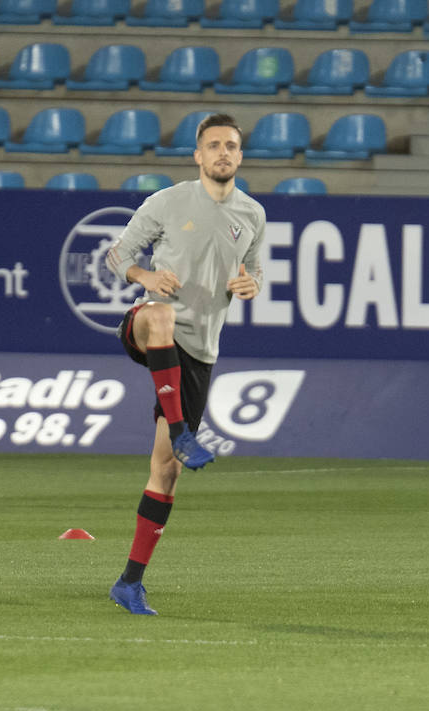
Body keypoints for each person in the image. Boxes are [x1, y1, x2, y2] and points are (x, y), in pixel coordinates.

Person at [103, 113, 266, 614]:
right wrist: (144, 276)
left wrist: (251, 283)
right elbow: (118, 254)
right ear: (198, 155)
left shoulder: (252, 214)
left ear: (240, 156)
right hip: (148, 324)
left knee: (165, 473)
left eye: (231, 146)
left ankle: (129, 582)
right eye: (213, 145)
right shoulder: (169, 201)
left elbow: (254, 266)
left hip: (199, 349)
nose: (222, 153)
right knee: (161, 318)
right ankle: (181, 431)